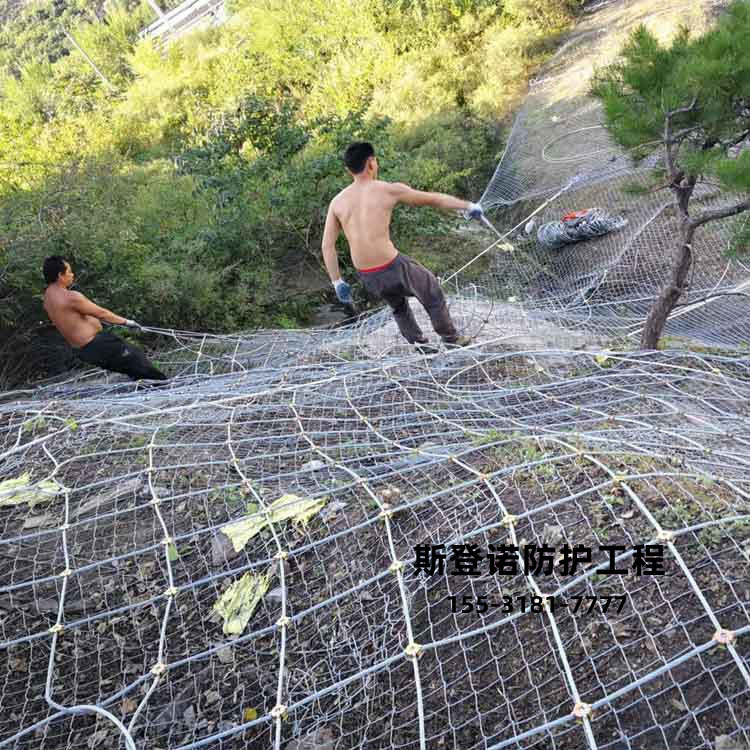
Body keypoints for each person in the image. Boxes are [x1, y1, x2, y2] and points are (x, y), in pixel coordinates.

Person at [321, 141, 485, 351]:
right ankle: (451, 339)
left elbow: (327, 246)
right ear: (371, 163)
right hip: (392, 266)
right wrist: (467, 206)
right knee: (431, 290)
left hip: (368, 275)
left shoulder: (337, 202)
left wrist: (337, 281)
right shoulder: (388, 190)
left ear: (348, 170)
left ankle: (420, 345)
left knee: (398, 305)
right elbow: (433, 199)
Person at [42, 256, 167, 381]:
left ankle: (149, 386)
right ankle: (164, 385)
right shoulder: (70, 297)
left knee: (132, 367)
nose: (72, 275)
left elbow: (74, 318)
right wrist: (128, 322)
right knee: (136, 357)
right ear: (60, 275)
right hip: (97, 344)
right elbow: (101, 313)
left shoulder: (47, 298)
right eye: (69, 272)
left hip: (84, 351)